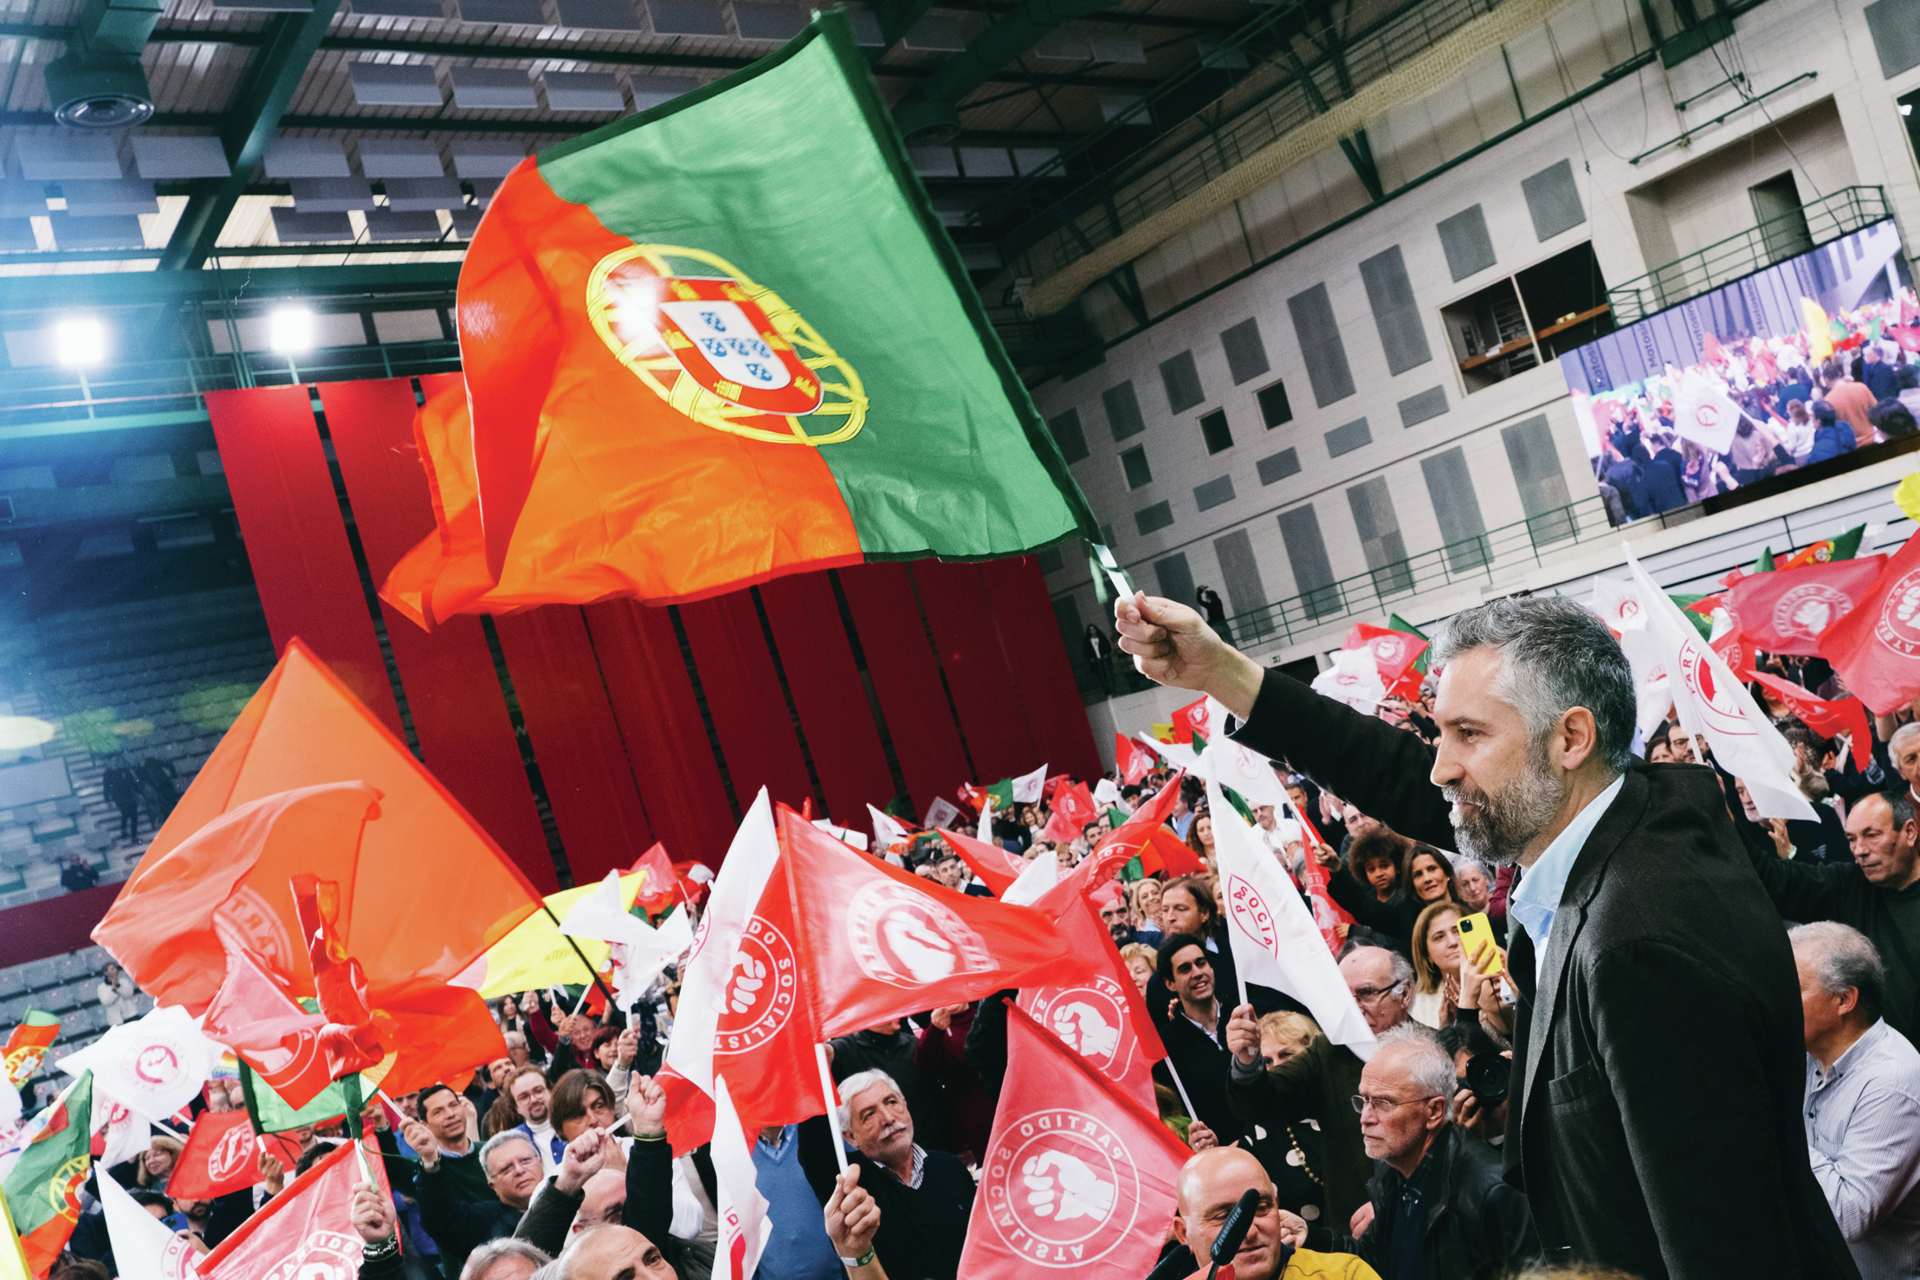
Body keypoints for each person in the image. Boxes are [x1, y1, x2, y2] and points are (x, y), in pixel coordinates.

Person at [1116, 588, 1858, 1279]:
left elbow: (1724, 1246)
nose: (1440, 766)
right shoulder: (1610, 816)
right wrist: (1223, 671)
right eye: (1440, 732)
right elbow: (1398, 772)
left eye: (1468, 734)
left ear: (1570, 737)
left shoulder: (1641, 940)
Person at [1304, 1027, 1537, 1279]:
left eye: (1383, 1103)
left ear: (1435, 1111)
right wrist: (1310, 1235)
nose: (1366, 1118)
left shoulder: (1494, 1192)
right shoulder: (1393, 1169)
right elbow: (1377, 1261)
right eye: (1364, 1099)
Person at [1224, 946, 1415, 1228]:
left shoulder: (1440, 1048)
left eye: (1366, 993)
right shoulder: (1327, 1053)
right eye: (1343, 996)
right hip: (1354, 1240)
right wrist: (1247, 1059)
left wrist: (1395, 1200)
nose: (1353, 1006)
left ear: (1405, 993)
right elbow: (1261, 1102)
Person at [1791, 922, 1920, 1279]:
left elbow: (1849, 1217)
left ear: (1845, 1000)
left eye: (1793, 987)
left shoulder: (1892, 1082)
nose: (1777, 997)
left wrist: (1778, 1122)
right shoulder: (1805, 1053)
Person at [1743, 789, 1920, 1039]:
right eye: (1851, 839)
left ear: (1909, 832)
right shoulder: (1849, 886)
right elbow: (1772, 878)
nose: (1859, 850)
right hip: (1883, 1064)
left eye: (1871, 835)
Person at [798, 1070, 974, 1280]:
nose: (888, 1118)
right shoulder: (852, 1188)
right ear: (850, 1136)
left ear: (906, 1106)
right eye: (869, 1114)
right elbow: (813, 1149)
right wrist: (817, 1073)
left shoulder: (950, 1167)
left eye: (891, 1102)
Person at [1166, 1146, 1378, 1280]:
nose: (1248, 1231)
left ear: (1277, 1206)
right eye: (1223, 1218)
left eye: (1260, 1209)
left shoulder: (1343, 1275)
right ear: (1184, 1234)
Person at [407, 1123, 543, 1279]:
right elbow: (442, 1219)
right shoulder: (484, 1222)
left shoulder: (573, 1198)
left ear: (541, 1162)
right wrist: (431, 1162)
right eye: (506, 1168)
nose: (519, 1170)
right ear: (493, 1186)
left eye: (525, 1160)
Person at [1408, 902, 1464, 1029]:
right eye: (1439, 937)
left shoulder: (1497, 982)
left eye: (1457, 931)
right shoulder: (1418, 1004)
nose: (1453, 942)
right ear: (1426, 954)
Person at [507, 1066, 563, 1173]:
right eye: (524, 1097)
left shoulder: (574, 1123)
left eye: (538, 1091)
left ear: (550, 1092)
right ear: (516, 1107)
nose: (533, 1100)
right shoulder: (513, 1142)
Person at [1084, 624, 1116, 696]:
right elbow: (1086, 652)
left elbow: (1108, 647)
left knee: (1109, 675)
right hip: (1096, 662)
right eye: (1091, 630)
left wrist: (1106, 654)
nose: (1092, 631)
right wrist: (1091, 658)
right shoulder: (1087, 640)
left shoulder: (1101, 637)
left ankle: (1113, 690)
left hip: (1104, 661)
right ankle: (1107, 692)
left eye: (1093, 629)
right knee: (1101, 678)